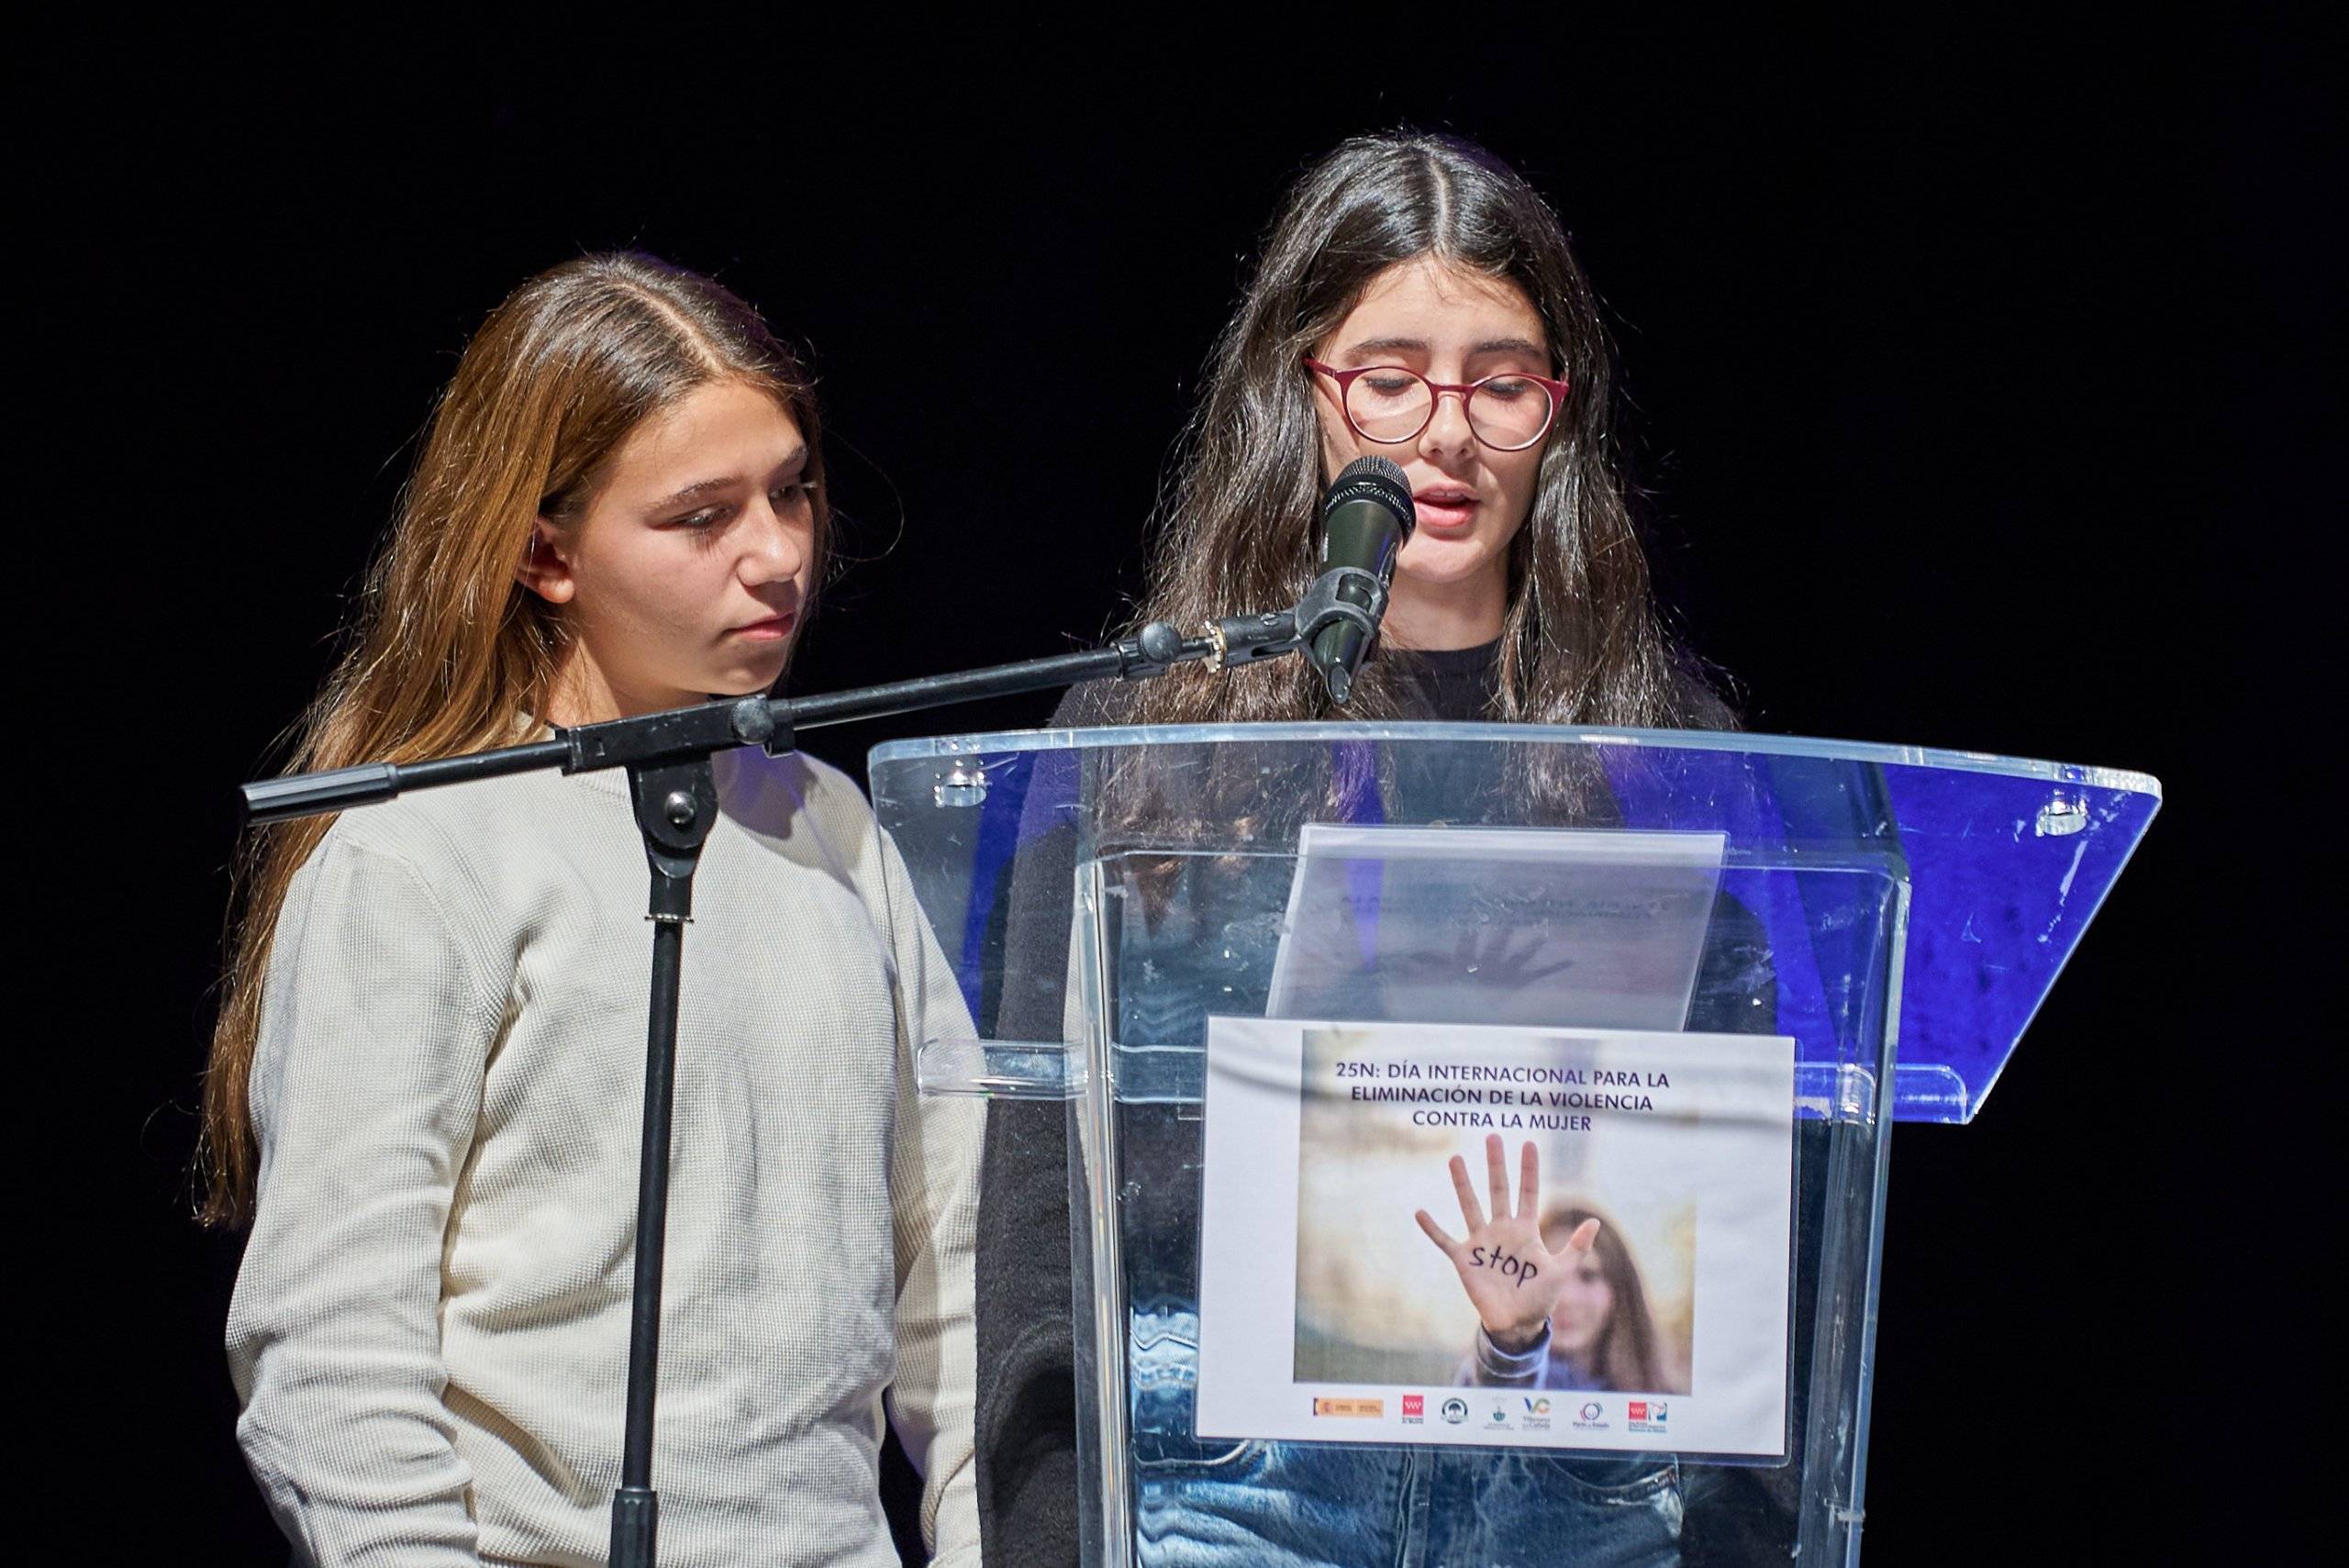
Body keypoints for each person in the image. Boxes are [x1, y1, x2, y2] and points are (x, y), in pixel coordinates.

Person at [976, 134, 1774, 1568]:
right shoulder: (1142, 742)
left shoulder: (1664, 749)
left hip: (1573, 1489)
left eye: (1503, 381)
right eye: (1389, 376)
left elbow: (1754, 1193)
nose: (1446, 432)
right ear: (1307, 399)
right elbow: (1047, 1209)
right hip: (1224, 1485)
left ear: (1558, 411)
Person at [200, 253, 981, 1567]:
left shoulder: (840, 832)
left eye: (792, 490)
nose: (779, 553)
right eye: (702, 516)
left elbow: (960, 1298)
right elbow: (327, 1354)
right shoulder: (419, 856)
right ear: (545, 554)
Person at [1419, 1136, 1675, 1395]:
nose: (1564, 1298)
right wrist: (1512, 1342)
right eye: (1542, 1276)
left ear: (1621, 1288)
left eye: (1588, 1276)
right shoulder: (1482, 1381)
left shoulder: (1663, 1401)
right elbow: (1491, 1404)